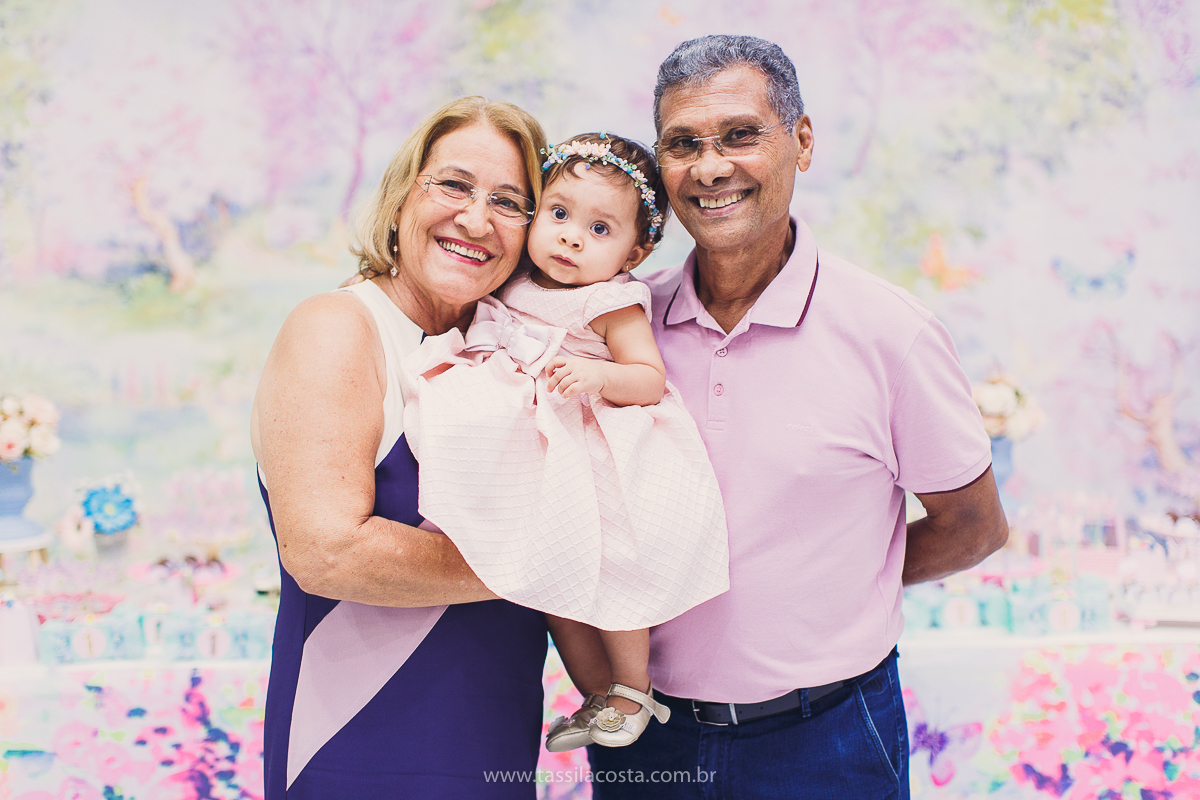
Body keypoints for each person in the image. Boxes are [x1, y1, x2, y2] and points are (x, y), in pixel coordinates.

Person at [587, 36, 1009, 800]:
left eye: (741, 135)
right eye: (683, 144)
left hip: (831, 738)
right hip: (649, 736)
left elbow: (974, 526)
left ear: (802, 141)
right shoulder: (620, 325)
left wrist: (844, 588)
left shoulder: (892, 333)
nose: (710, 167)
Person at [250, 96, 551, 799]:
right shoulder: (338, 326)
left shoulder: (519, 346)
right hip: (355, 740)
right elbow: (328, 551)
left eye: (510, 202)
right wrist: (548, 561)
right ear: (398, 198)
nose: (476, 219)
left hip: (494, 731)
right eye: (453, 184)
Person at [399, 132, 729, 751]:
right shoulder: (512, 278)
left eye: (601, 230)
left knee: (613, 571)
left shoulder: (611, 302)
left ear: (637, 250)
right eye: (558, 215)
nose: (573, 237)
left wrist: (599, 374)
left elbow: (649, 379)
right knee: (558, 589)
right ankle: (597, 696)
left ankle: (634, 688)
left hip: (589, 447)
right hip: (536, 454)